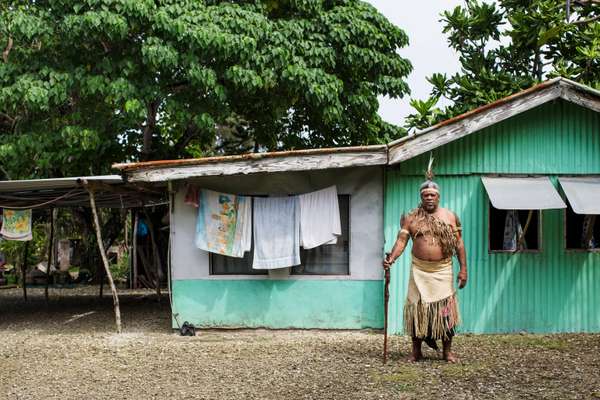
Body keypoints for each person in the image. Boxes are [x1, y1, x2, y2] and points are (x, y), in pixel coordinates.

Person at [383, 178, 468, 363]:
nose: (429, 198)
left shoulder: (449, 217)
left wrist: (464, 270)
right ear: (421, 197)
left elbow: (459, 244)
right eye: (425, 195)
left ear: (438, 197)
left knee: (446, 312)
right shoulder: (412, 218)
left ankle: (447, 352)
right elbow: (401, 241)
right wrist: (392, 258)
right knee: (417, 311)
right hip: (419, 270)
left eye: (433, 195)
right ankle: (416, 352)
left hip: (443, 270)